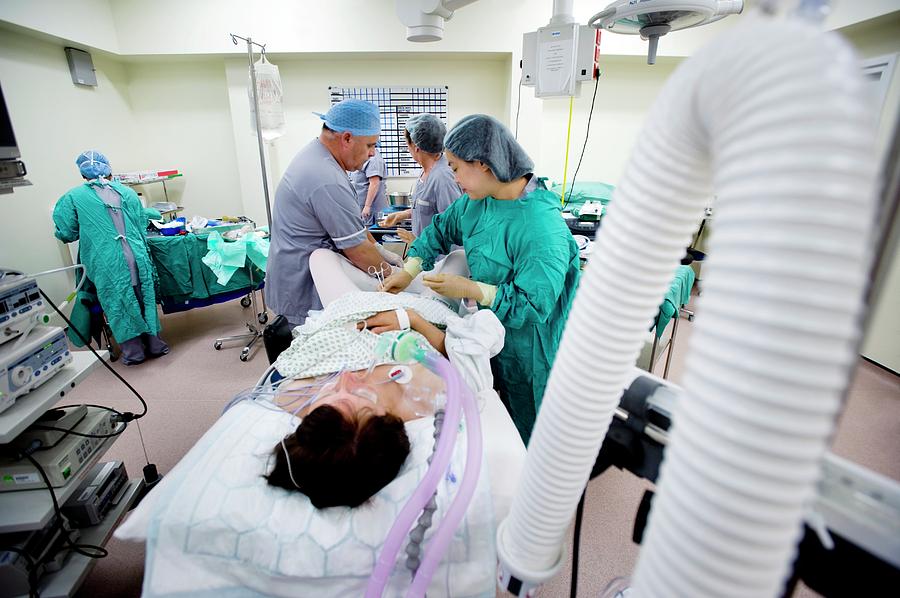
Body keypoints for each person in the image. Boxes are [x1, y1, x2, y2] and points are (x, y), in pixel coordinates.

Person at [380, 114, 581, 445]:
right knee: (497, 417)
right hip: (493, 331)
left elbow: (535, 304)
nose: (454, 177)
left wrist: (473, 289)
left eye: (456, 168)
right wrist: (409, 270)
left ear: (484, 165)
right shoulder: (477, 203)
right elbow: (441, 230)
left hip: (533, 349)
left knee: (532, 436)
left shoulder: (541, 228)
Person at [265, 308, 448, 508]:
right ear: (387, 421)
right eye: (361, 395)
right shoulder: (425, 391)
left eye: (330, 393)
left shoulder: (294, 398)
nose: (345, 377)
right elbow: (452, 350)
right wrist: (410, 317)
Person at [266, 99, 396, 327]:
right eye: (369, 146)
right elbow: (357, 251)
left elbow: (354, 228)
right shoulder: (326, 178)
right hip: (304, 285)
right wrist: (394, 276)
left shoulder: (318, 157)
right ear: (346, 138)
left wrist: (379, 250)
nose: (373, 154)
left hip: (298, 273)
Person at [53, 151, 169, 366]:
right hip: (137, 255)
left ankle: (134, 354)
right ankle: (155, 344)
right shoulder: (127, 193)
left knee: (118, 303)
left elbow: (67, 232)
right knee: (144, 298)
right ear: (108, 169)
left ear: (82, 173)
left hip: (107, 260)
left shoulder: (73, 197)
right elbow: (141, 223)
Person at [382, 114, 461, 244]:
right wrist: (402, 215)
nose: (407, 148)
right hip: (427, 256)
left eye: (407, 144)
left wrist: (420, 246)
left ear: (416, 146)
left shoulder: (442, 177)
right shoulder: (426, 171)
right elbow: (428, 209)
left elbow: (452, 228)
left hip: (441, 261)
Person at [349, 147, 388, 225]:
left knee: (370, 233)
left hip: (370, 209)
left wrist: (367, 206)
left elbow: (374, 183)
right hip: (360, 206)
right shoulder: (362, 156)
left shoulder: (374, 159)